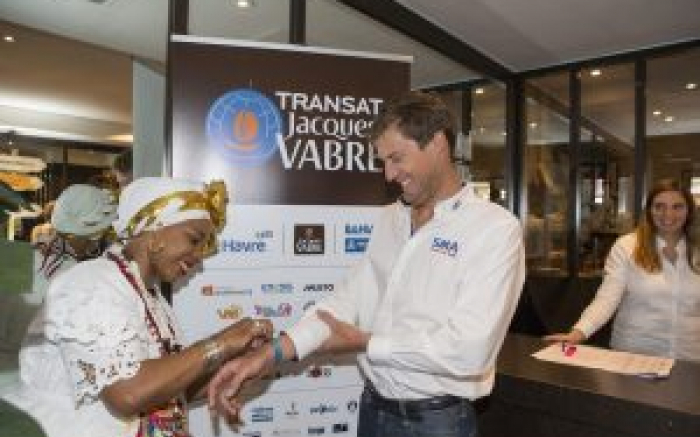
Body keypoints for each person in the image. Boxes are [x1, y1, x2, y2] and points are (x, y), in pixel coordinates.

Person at [207, 91, 526, 437]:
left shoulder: (494, 228)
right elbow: (346, 303)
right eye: (383, 161)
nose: (388, 174)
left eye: (397, 158)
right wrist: (270, 355)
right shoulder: (389, 218)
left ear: (437, 144)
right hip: (373, 411)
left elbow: (470, 350)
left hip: (437, 423)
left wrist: (366, 342)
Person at [1, 177, 273, 437]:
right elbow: (128, 394)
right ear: (153, 231)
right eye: (194, 240)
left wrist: (236, 366)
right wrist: (221, 343)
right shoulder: (91, 283)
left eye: (204, 246)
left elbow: (167, 389)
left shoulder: (149, 297)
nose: (199, 257)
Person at [545, 179, 700, 361]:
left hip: (690, 357)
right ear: (649, 211)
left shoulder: (697, 249)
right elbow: (607, 298)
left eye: (678, 207)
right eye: (659, 206)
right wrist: (578, 334)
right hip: (635, 355)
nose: (668, 214)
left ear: (689, 211)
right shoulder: (627, 246)